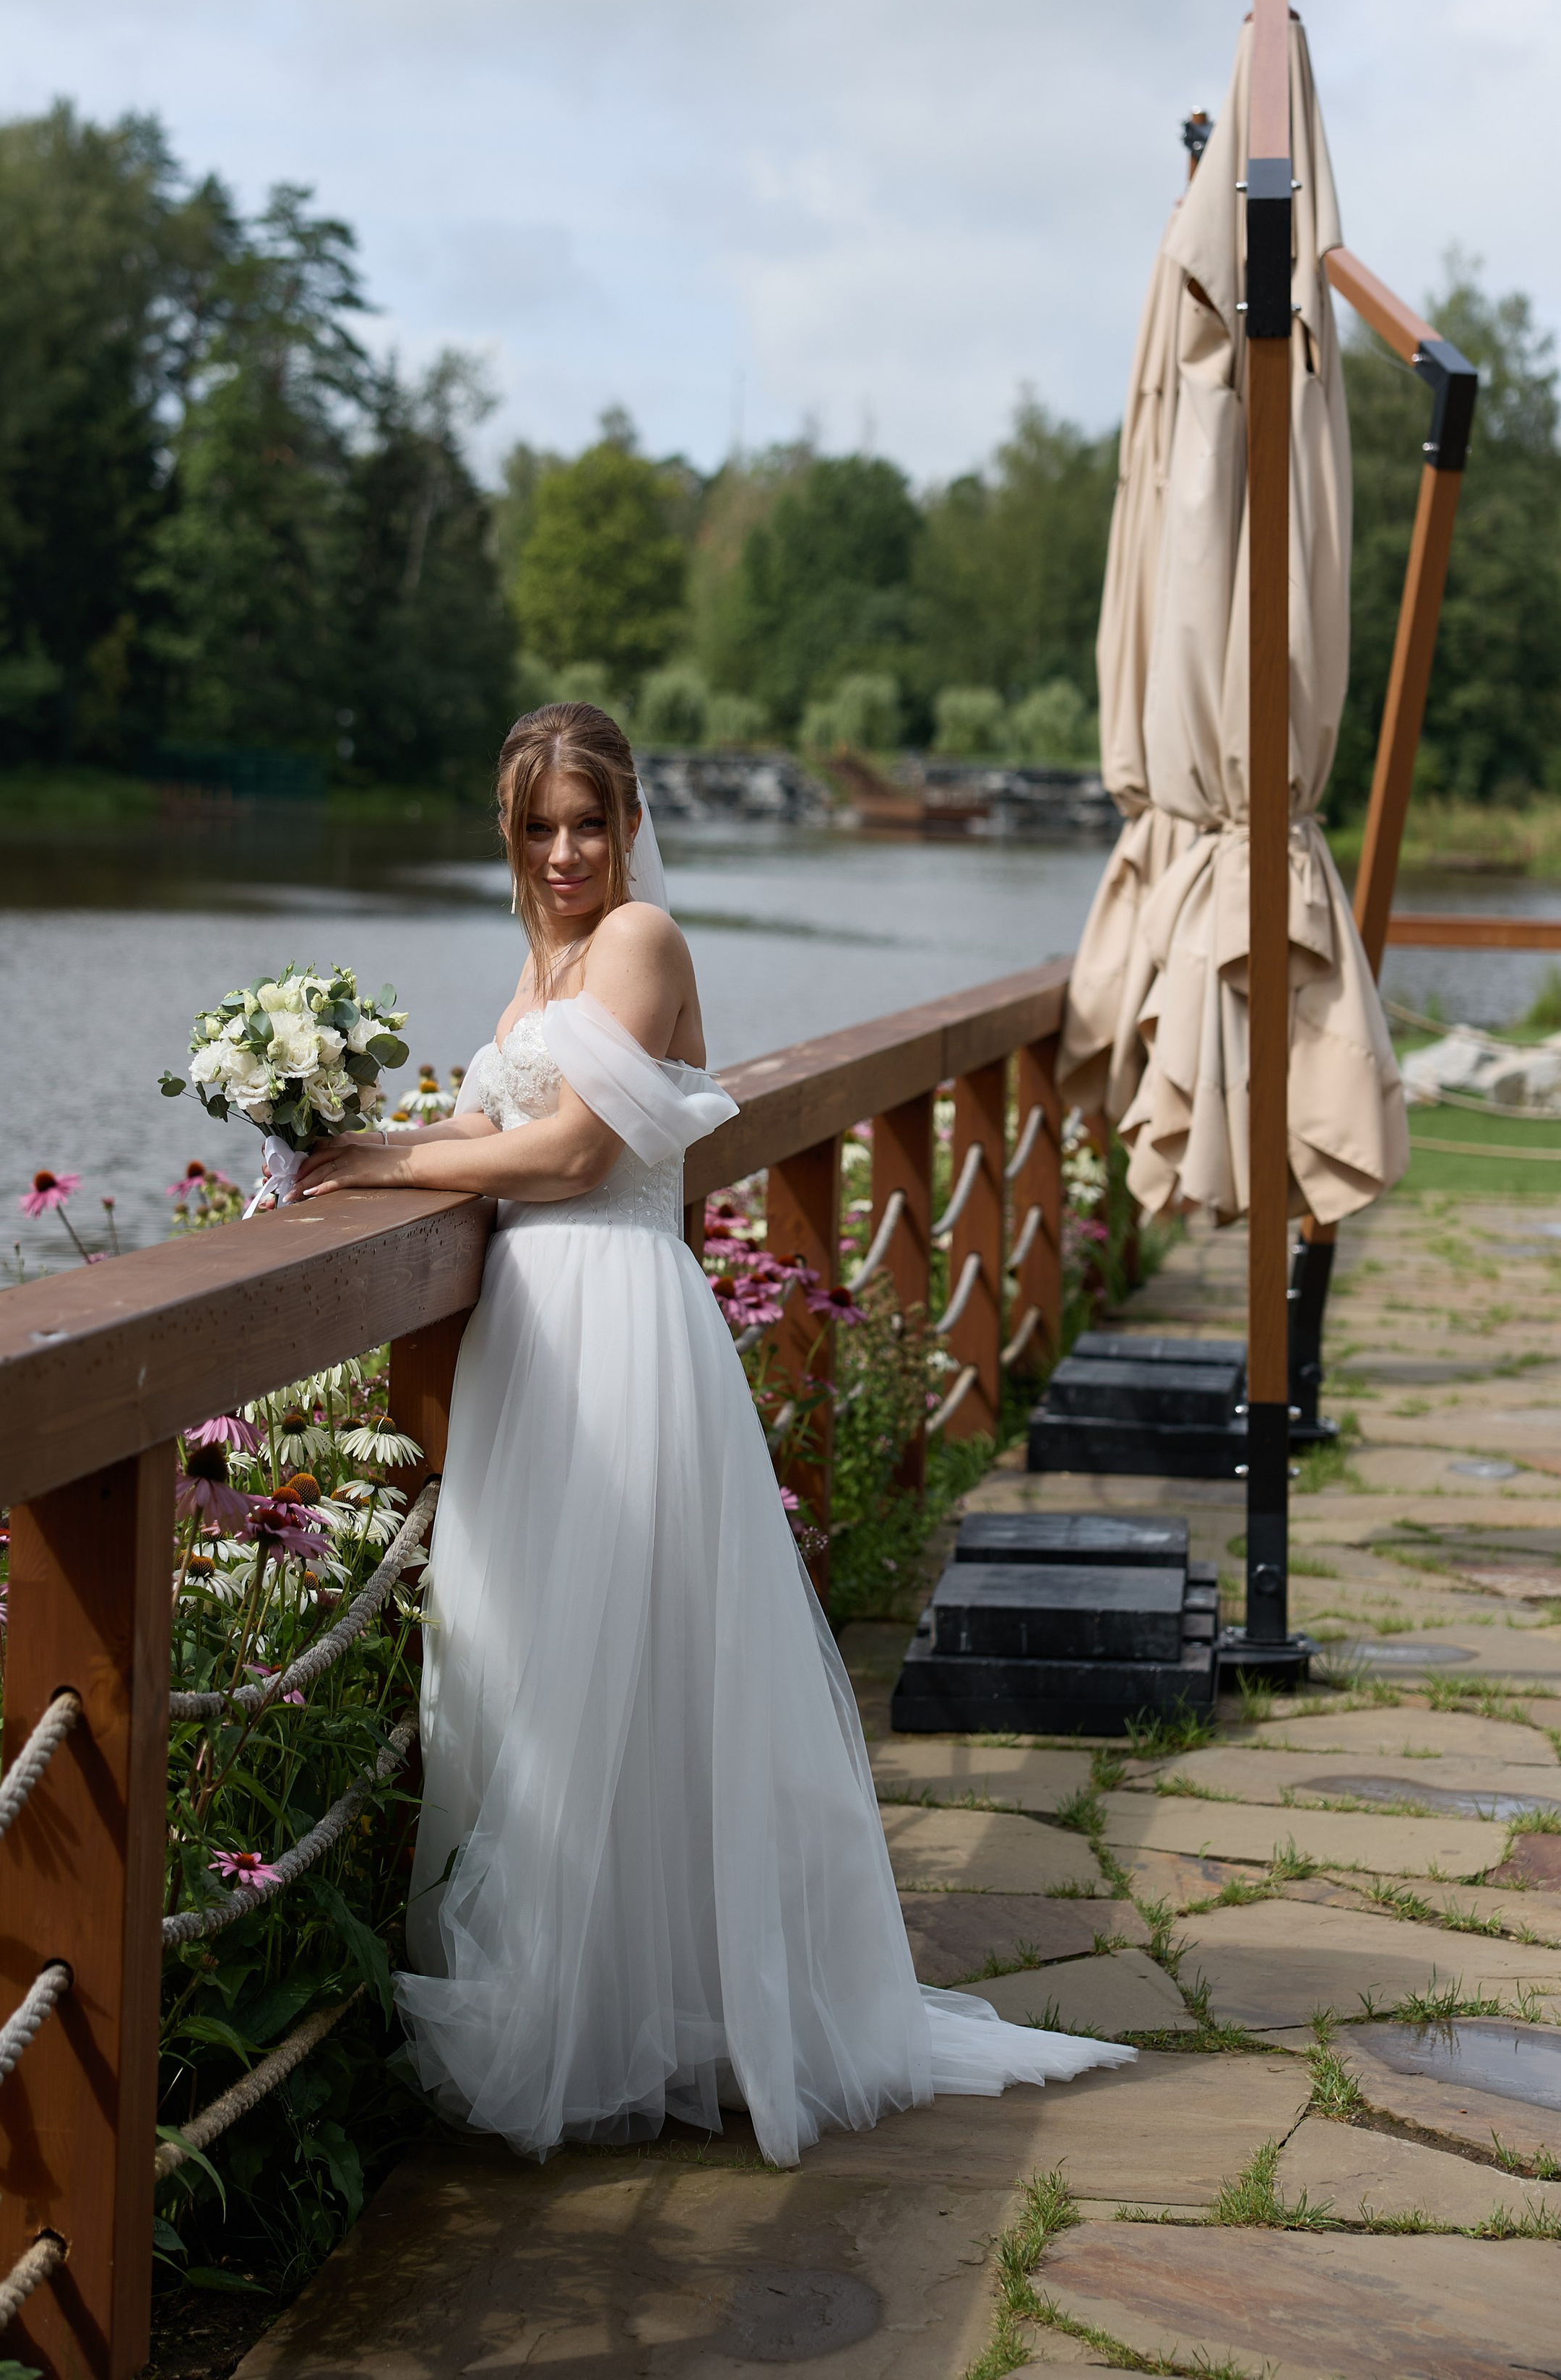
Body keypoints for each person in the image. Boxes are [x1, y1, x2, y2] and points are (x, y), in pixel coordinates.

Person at [297, 702, 1131, 2165]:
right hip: (531, 1338)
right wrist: (369, 1143)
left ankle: (655, 2015)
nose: (567, 850)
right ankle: (603, 1998)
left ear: (628, 824)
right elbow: (518, 1130)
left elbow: (567, 1154)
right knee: (530, 1664)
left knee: (621, 1666)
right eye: (540, 825)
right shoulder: (544, 958)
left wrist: (377, 1161)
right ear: (509, 830)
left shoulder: (636, 943)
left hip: (613, 1326)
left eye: (589, 821)